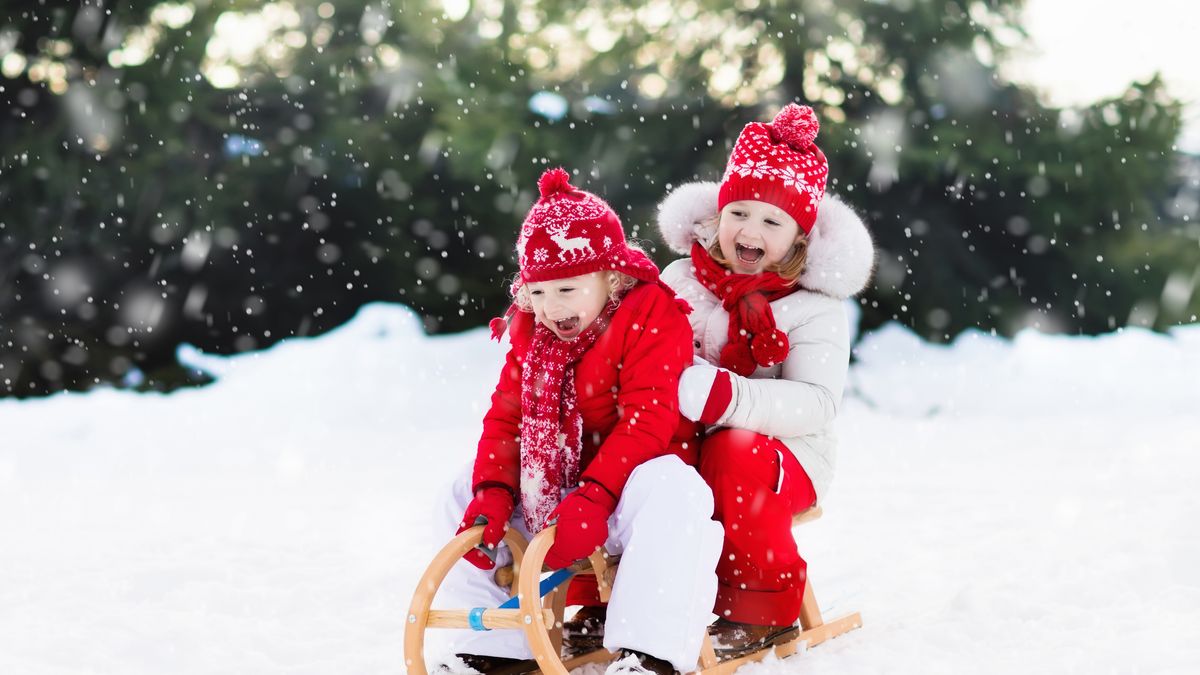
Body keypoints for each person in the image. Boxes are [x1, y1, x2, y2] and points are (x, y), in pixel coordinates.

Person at [433, 167, 723, 675]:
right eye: (538, 293)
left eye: (566, 289)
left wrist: (596, 494)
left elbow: (648, 419)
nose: (550, 308)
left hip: (628, 487)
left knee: (677, 490)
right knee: (461, 490)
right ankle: (493, 649)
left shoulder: (652, 313)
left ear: (610, 275)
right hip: (559, 490)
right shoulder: (532, 333)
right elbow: (507, 419)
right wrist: (493, 491)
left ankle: (647, 653)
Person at [654, 103, 875, 658]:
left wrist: (726, 397)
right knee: (631, 452)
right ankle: (618, 598)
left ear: (800, 238)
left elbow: (817, 402)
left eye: (772, 222)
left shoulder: (814, 306)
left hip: (784, 458)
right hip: (688, 442)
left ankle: (758, 610)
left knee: (733, 449)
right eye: (739, 213)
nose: (749, 231)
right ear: (718, 215)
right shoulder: (681, 278)